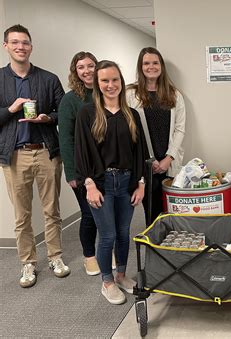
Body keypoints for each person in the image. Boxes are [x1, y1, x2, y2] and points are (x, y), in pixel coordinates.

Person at [0, 24, 70, 288]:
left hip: (46, 152)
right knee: (22, 215)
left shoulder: (48, 79)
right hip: (14, 156)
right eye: (15, 42)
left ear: (31, 46)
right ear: (6, 45)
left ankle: (55, 257)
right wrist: (11, 108)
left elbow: (62, 112)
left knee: (52, 210)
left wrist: (46, 118)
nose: (21, 47)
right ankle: (28, 262)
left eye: (25, 42)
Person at [75, 60, 148, 305]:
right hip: (101, 182)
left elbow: (140, 151)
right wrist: (89, 184)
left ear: (121, 81)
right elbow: (82, 151)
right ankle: (107, 282)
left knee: (123, 233)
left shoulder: (131, 114)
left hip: (127, 181)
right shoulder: (88, 113)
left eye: (115, 79)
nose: (110, 85)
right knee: (107, 236)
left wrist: (141, 183)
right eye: (105, 80)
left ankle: (121, 275)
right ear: (97, 83)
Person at [126, 47, 185, 226]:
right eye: (146, 63)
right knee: (150, 209)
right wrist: (149, 160)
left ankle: (169, 247)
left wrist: (169, 158)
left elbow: (180, 129)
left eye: (155, 62)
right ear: (140, 67)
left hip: (168, 162)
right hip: (145, 163)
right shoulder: (130, 94)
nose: (151, 66)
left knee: (170, 208)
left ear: (161, 66)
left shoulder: (174, 95)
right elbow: (129, 130)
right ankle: (154, 248)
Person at [58, 51, 101, 276]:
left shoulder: (105, 92)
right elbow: (64, 138)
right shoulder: (70, 99)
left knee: (106, 213)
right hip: (82, 167)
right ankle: (89, 257)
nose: (87, 71)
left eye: (91, 65)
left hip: (105, 165)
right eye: (81, 67)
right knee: (89, 214)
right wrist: (71, 173)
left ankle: (104, 252)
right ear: (75, 71)